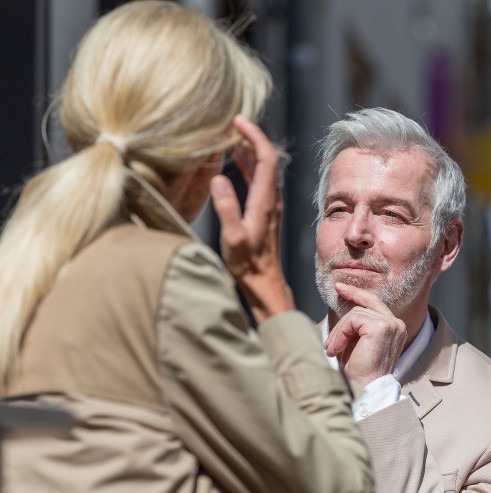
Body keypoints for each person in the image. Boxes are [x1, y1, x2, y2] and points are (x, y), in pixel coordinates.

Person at [0, 2, 373, 492]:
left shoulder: (24, 264)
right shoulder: (169, 278)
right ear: (207, 156)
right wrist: (269, 291)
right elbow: (340, 483)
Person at [313, 108, 491, 492]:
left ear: (446, 245)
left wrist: (374, 393)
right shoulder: (247, 366)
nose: (356, 232)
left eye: (391, 214)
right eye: (339, 209)